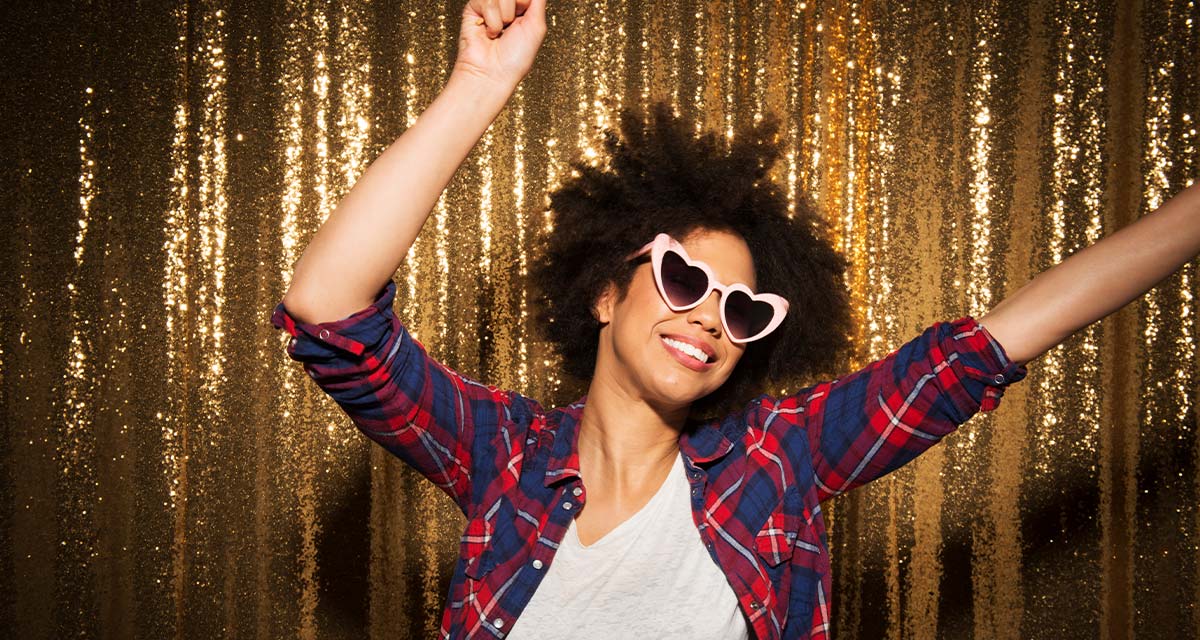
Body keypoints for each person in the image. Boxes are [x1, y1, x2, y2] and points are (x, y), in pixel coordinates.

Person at [272, 1, 1200, 638]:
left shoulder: (776, 459)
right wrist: (479, 82)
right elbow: (328, 311)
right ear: (607, 290)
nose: (711, 319)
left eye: (743, 309)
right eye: (682, 280)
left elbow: (987, 346)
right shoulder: (503, 459)